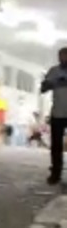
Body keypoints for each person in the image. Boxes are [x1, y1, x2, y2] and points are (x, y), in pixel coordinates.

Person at [40, 47, 67, 185]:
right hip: (58, 113)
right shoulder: (54, 71)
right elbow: (43, 88)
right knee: (56, 146)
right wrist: (53, 83)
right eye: (61, 56)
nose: (63, 59)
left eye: (65, 56)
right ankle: (56, 173)